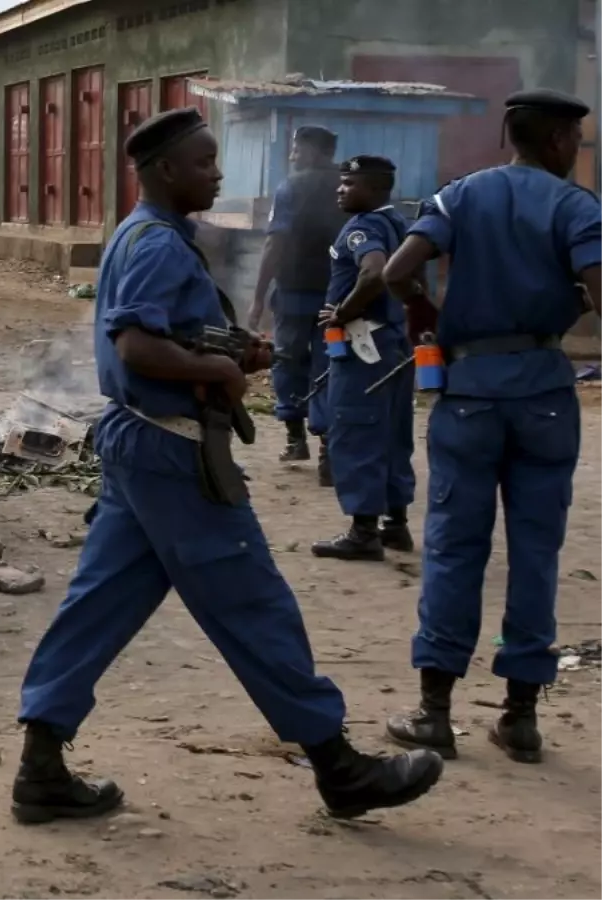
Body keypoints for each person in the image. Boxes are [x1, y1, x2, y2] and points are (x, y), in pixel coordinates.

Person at [10, 107, 444, 826]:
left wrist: (231, 350)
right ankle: (339, 767)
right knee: (255, 604)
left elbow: (163, 336)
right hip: (174, 453)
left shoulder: (146, 235)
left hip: (137, 446)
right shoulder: (157, 246)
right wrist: (213, 365)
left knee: (97, 607)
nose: (219, 174)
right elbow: (137, 347)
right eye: (206, 163)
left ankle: (41, 765)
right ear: (163, 172)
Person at [381, 89, 602, 764]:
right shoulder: (576, 206)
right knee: (535, 554)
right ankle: (520, 717)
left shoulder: (461, 196)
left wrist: (428, 312)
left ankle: (435, 711)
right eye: (574, 138)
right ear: (559, 140)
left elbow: (396, 271)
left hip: (470, 393)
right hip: (544, 393)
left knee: (454, 548)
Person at [311, 156, 416, 562]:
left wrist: (343, 312)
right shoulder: (399, 224)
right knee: (392, 433)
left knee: (356, 430)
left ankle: (363, 533)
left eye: (349, 183)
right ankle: (396, 526)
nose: (340, 189)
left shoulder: (363, 227)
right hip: (393, 344)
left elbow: (374, 273)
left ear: (374, 189)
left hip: (362, 346)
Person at [249, 126, 348, 482]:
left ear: (314, 150)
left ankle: (295, 438)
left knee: (287, 360)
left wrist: (258, 297)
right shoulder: (351, 183)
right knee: (329, 366)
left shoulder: (291, 187)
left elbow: (275, 244)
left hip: (293, 292)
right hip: (339, 298)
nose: (291, 155)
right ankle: (327, 447)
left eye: (296, 148)